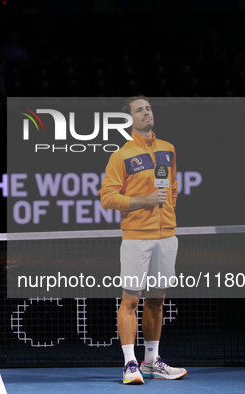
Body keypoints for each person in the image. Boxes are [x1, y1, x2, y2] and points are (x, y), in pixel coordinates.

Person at [98, 96, 187, 384]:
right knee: (130, 301)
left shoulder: (168, 149)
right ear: (129, 120)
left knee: (157, 301)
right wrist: (144, 201)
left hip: (167, 236)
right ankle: (129, 364)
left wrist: (166, 210)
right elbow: (108, 197)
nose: (146, 112)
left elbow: (172, 188)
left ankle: (151, 362)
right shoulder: (120, 155)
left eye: (148, 108)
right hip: (137, 237)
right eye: (139, 110)